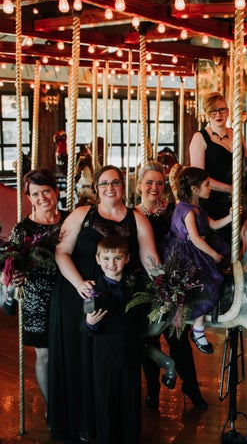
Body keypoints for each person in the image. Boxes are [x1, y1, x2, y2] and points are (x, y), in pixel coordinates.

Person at [50, 165, 160, 442]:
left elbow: (150, 259)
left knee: (116, 357)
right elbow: (62, 252)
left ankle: (117, 425)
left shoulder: (137, 219)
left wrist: (169, 289)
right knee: (80, 359)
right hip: (79, 293)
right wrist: (79, 284)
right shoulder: (80, 215)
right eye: (103, 184)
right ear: (96, 188)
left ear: (124, 186)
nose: (109, 188)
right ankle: (82, 424)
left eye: (115, 183)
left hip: (120, 296)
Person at [134, 161, 207, 411]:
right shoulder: (133, 214)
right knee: (149, 339)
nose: (155, 187)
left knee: (178, 338)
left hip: (174, 280)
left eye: (159, 183)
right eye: (149, 182)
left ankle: (191, 388)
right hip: (145, 282)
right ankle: (153, 389)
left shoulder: (174, 211)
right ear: (139, 185)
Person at [1, 169, 68, 412]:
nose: (42, 197)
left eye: (46, 191)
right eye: (35, 194)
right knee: (45, 355)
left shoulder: (70, 221)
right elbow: (13, 262)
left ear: (55, 191)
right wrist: (15, 274)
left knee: (69, 353)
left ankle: (73, 402)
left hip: (67, 295)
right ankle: (53, 409)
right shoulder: (23, 230)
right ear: (29, 198)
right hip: (37, 299)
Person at [83, 236, 145, 444]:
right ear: (98, 259)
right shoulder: (91, 289)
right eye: (107, 258)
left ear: (127, 258)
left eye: (117, 258)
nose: (112, 264)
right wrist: (90, 322)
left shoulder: (137, 285)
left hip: (131, 355)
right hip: (105, 358)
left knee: (130, 403)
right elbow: (81, 327)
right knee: (105, 405)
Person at [165, 166, 231, 355]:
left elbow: (213, 224)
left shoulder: (197, 208)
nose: (210, 188)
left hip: (196, 247)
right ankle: (199, 329)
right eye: (207, 185)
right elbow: (194, 238)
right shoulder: (186, 211)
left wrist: (232, 217)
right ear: (194, 188)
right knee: (206, 282)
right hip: (187, 253)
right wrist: (213, 255)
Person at [189, 91, 247, 243]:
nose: (218, 114)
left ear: (228, 111)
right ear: (207, 114)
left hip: (238, 198)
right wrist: (230, 189)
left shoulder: (237, 135)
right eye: (212, 111)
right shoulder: (200, 138)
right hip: (213, 199)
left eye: (222, 109)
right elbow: (199, 178)